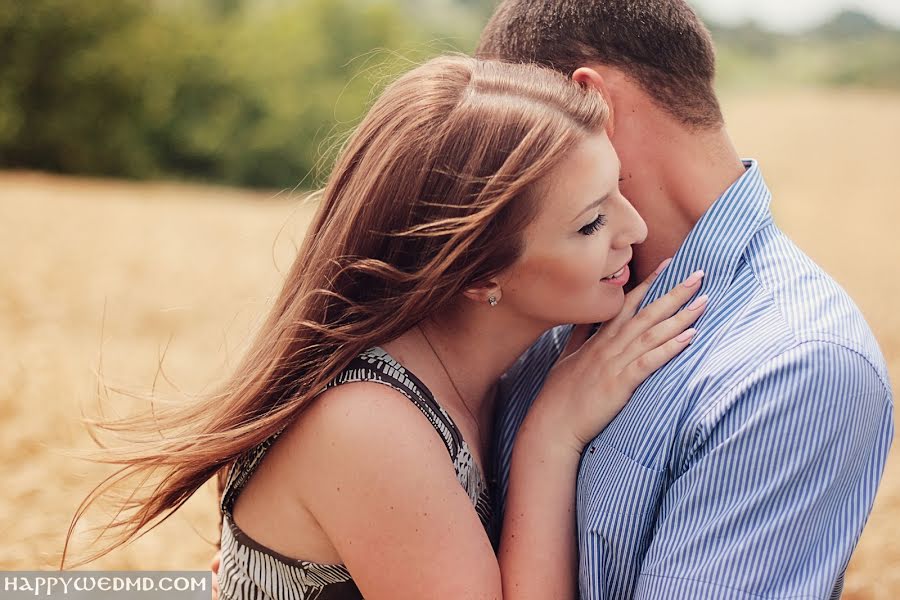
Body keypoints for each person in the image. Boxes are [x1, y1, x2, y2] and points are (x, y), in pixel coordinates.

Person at [63, 55, 707, 600]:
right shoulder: (367, 424)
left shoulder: (485, 368)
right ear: (479, 276)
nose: (637, 230)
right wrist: (552, 437)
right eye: (590, 224)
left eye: (618, 187)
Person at [474, 1, 894, 598]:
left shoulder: (794, 365)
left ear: (592, 104)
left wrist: (550, 438)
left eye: (511, 144)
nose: (499, 182)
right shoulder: (537, 299)